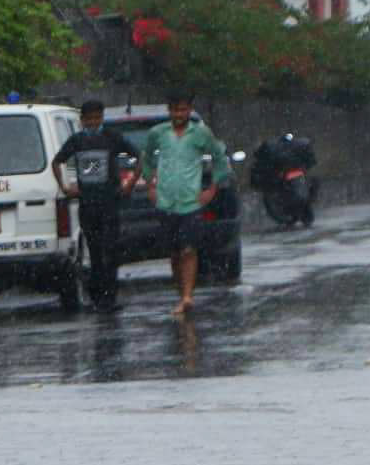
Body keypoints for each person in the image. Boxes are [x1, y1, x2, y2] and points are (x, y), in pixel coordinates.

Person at [139, 95, 234, 317]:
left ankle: (188, 296)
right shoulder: (158, 133)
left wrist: (212, 188)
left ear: (189, 110)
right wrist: (150, 184)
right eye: (175, 110)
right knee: (174, 253)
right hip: (166, 201)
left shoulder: (201, 133)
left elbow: (220, 158)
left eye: (183, 110)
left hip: (191, 201)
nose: (179, 115)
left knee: (189, 249)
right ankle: (181, 293)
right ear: (169, 111)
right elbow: (147, 157)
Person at [51, 99, 144, 311]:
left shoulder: (112, 137)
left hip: (109, 204)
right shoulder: (76, 141)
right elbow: (57, 162)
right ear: (82, 120)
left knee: (110, 251)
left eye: (97, 118)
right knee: (94, 252)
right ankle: (97, 297)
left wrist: (129, 184)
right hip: (87, 205)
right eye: (89, 119)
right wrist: (65, 188)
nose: (94, 122)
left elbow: (139, 156)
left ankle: (110, 298)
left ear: (102, 118)